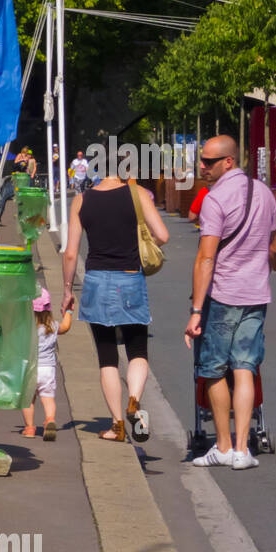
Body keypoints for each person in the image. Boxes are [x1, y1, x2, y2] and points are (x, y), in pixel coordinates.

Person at [185, 135, 276, 470]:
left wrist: (196, 310)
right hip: (256, 295)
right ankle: (243, 450)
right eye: (202, 160)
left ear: (228, 161)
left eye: (208, 162)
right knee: (245, 368)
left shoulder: (215, 200)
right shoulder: (265, 193)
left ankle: (223, 447)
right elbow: (274, 248)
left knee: (212, 369)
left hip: (222, 296)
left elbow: (206, 257)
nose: (202, 167)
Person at [61, 154, 170, 441]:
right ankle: (134, 398)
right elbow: (163, 235)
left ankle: (117, 424)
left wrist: (67, 290)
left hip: (96, 280)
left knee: (107, 355)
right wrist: (141, 243)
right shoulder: (136, 195)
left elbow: (71, 252)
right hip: (130, 277)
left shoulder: (82, 200)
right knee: (137, 349)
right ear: (126, 171)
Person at [21, 289, 74, 441]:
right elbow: (66, 326)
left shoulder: (25, 327)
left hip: (29, 369)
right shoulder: (53, 326)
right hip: (47, 370)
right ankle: (50, 420)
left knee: (28, 400)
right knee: (48, 398)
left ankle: (30, 428)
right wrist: (69, 311)